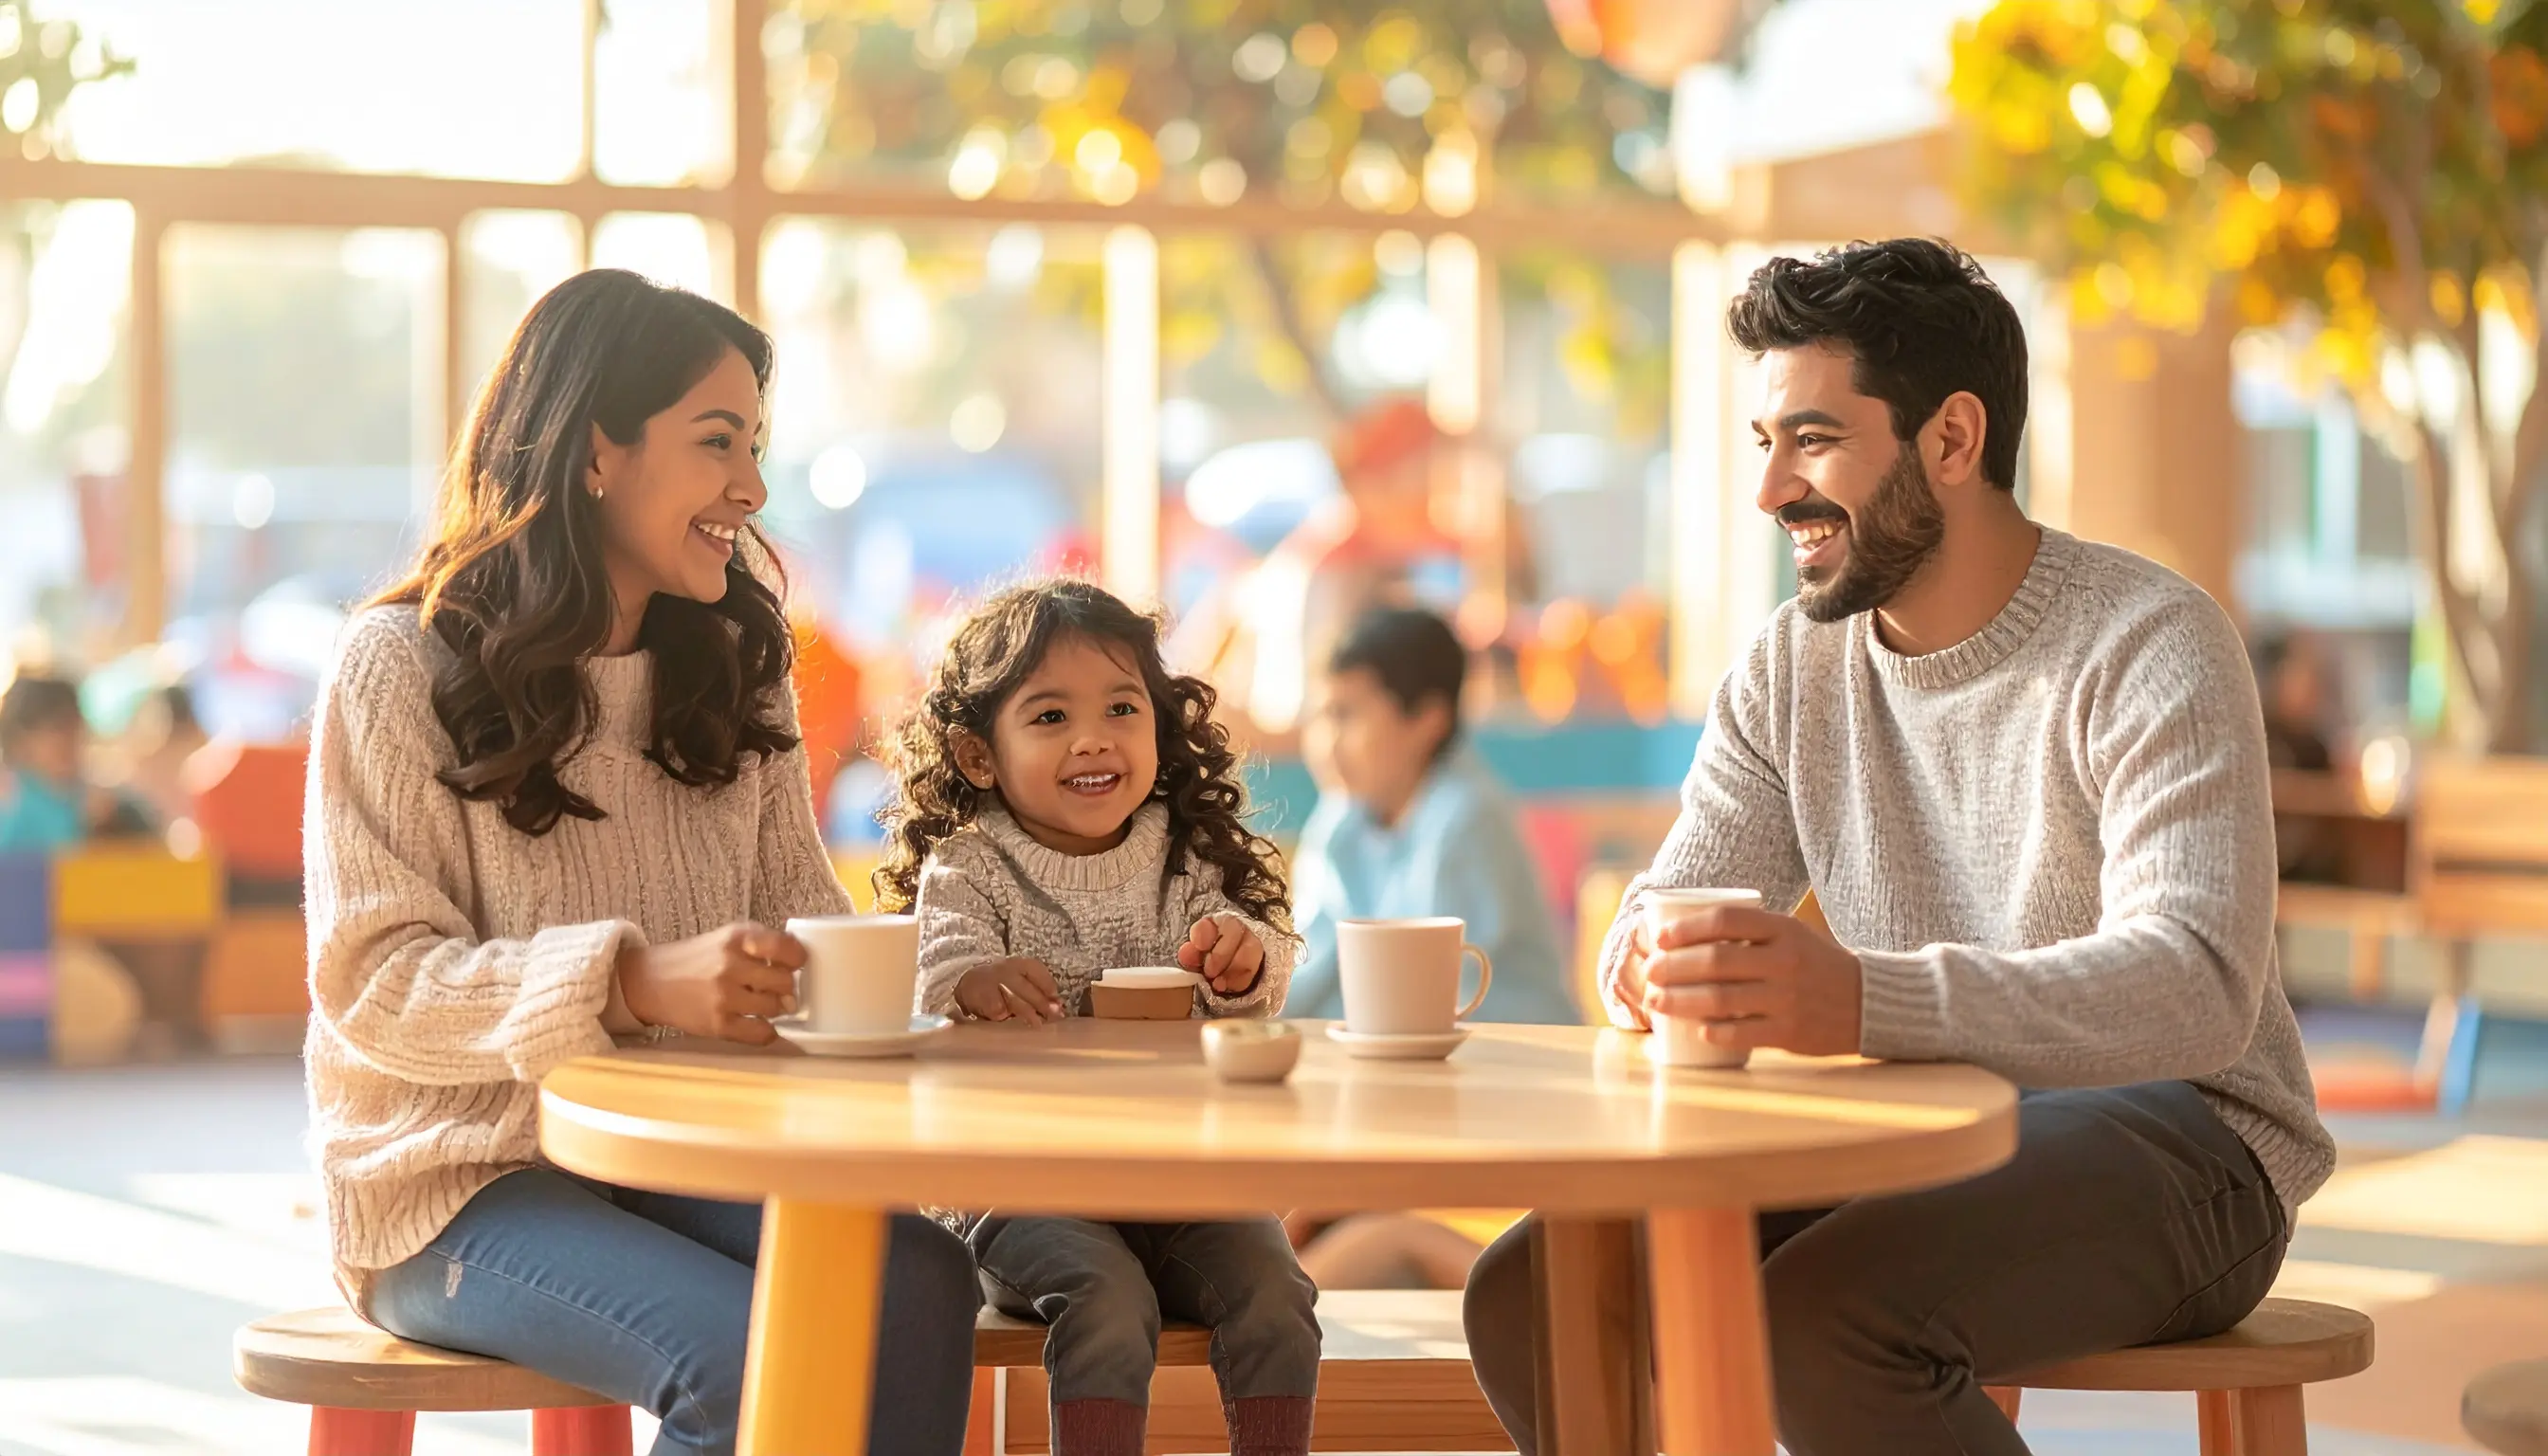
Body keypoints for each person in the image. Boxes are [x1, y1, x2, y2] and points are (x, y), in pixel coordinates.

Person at [1459, 239, 2334, 1455]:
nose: (1771, 492)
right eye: (1764, 445)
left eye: (1812, 440)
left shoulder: (2151, 642)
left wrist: (1859, 1000)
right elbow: (1657, 912)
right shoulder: (1790, 666)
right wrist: (1658, 966)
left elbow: (2198, 990)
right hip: (1916, 1128)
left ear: (1953, 441)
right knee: (1538, 1293)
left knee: (1830, 1322)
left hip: (2189, 1141)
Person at [301, 269, 980, 1456]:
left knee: (919, 1280)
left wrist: (945, 981)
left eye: (756, 445)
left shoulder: (733, 667)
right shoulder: (397, 668)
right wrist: (626, 985)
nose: (752, 488)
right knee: (734, 1356)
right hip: (456, 1182)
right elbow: (373, 983)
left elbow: (800, 927)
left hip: (683, 1155)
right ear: (593, 452)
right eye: (717, 442)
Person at [877, 577, 1320, 1456]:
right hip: (1019, 1189)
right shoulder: (970, 869)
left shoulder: (1187, 859)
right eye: (1048, 718)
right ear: (977, 756)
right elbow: (929, 981)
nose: (1093, 738)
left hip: (1181, 1182)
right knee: (1110, 1303)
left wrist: (1240, 962)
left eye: (1122, 707)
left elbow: (1263, 979)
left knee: (1277, 1290)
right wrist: (972, 984)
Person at [1287, 606, 1574, 1026]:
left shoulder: (1468, 819)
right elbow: (1312, 967)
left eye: (1346, 715)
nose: (1326, 743)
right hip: (1403, 1041)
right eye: (1320, 716)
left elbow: (1436, 992)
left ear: (1427, 720)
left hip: (1515, 1055)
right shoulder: (1341, 818)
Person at [0, 674, 152, 851]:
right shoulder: (13, 810)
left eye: (75, 727)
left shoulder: (106, 803)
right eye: (57, 729)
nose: (70, 740)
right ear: (22, 741)